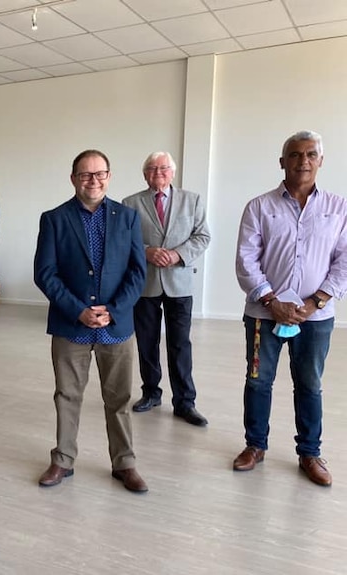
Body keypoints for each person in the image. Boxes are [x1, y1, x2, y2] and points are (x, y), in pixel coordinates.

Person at [233, 130, 347, 487]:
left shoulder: (338, 208)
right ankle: (255, 446)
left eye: (311, 154)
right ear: (282, 162)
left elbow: (344, 261)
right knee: (258, 381)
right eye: (295, 155)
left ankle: (310, 453)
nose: (303, 161)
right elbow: (246, 259)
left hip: (317, 318)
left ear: (321, 161)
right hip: (264, 315)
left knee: (310, 384)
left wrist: (315, 302)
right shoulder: (259, 207)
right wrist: (271, 301)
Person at [34, 149, 148, 493]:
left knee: (119, 399)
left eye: (100, 174)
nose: (93, 180)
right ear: (73, 179)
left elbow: (137, 272)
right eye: (85, 175)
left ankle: (124, 463)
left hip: (117, 325)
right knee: (67, 395)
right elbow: (45, 273)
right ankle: (63, 459)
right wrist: (78, 309)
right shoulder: (54, 219)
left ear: (109, 177)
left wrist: (113, 309)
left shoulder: (128, 218)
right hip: (72, 325)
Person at [122, 152, 211, 426]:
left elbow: (202, 236)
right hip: (145, 283)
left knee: (180, 343)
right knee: (147, 342)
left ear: (172, 172)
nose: (158, 172)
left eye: (163, 168)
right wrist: (147, 252)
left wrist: (177, 255)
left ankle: (185, 402)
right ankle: (151, 393)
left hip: (179, 283)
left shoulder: (192, 199)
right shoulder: (130, 203)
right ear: (144, 173)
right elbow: (124, 239)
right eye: (151, 168)